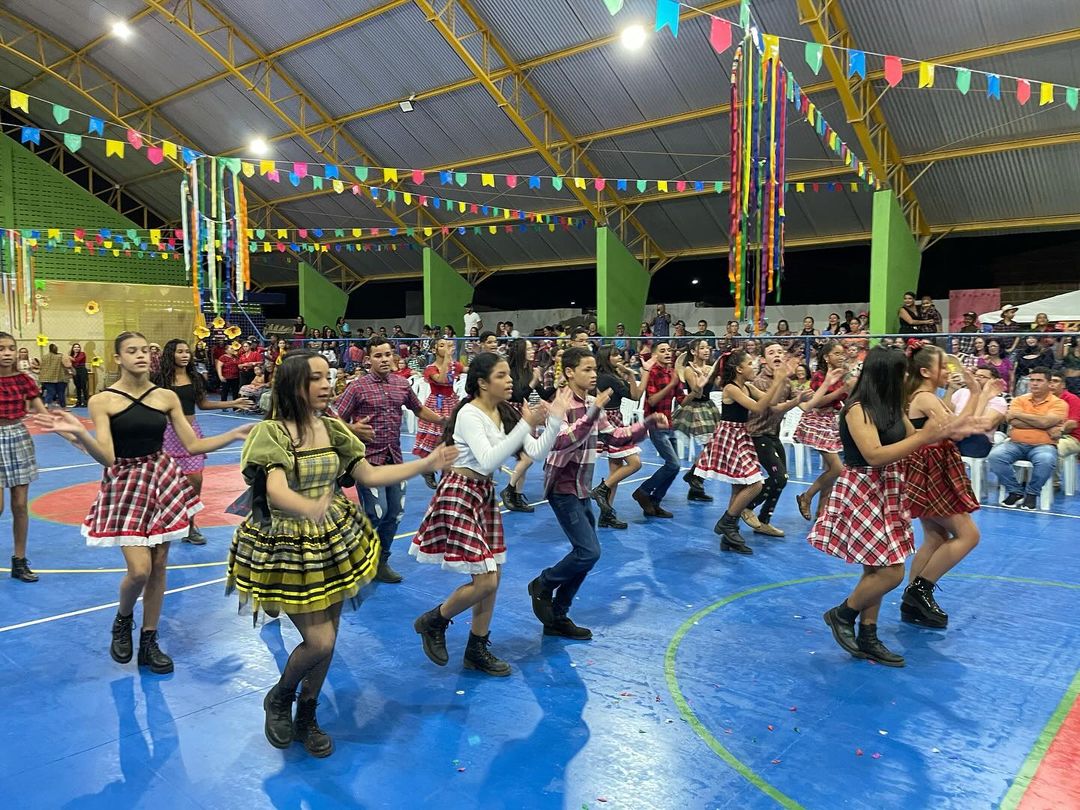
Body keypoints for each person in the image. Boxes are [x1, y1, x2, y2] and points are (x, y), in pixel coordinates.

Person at [227, 352, 455, 757]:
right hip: (285, 544)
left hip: (331, 540)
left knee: (329, 640)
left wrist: (427, 463)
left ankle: (307, 714)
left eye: (327, 376)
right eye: (316, 378)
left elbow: (369, 475)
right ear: (295, 386)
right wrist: (306, 506)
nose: (327, 384)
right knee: (319, 642)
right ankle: (280, 696)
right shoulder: (273, 434)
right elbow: (275, 488)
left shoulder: (333, 429)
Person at [37, 332, 252, 674]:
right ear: (117, 358)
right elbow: (107, 457)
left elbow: (192, 446)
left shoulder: (165, 396)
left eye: (145, 350)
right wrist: (78, 432)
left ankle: (150, 640)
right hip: (124, 481)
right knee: (140, 570)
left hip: (162, 477)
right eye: (131, 351)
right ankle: (123, 619)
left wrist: (235, 434)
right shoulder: (103, 400)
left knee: (160, 565)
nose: (141, 355)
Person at [411, 353, 564, 675]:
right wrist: (526, 422)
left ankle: (476, 647)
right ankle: (434, 620)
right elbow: (488, 459)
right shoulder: (470, 413)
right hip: (460, 493)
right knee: (486, 579)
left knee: (492, 577)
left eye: (509, 374)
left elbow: (534, 452)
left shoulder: (503, 412)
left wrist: (553, 421)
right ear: (482, 383)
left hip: (483, 496)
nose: (510, 380)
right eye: (501, 375)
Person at [811, 346, 958, 668]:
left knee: (876, 569)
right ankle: (842, 614)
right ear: (886, 374)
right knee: (892, 571)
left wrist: (958, 417)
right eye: (901, 372)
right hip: (863, 489)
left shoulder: (894, 408)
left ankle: (868, 634)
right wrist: (923, 437)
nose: (906, 377)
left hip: (888, 489)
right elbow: (874, 454)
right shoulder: (857, 409)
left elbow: (918, 439)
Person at [528, 348, 664, 639]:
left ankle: (558, 616)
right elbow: (562, 441)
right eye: (587, 370)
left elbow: (614, 436)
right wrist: (592, 412)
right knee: (589, 552)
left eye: (593, 369)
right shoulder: (559, 404)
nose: (593, 375)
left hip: (581, 488)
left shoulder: (591, 403)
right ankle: (543, 584)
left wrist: (647, 425)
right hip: (562, 486)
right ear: (569, 372)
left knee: (586, 555)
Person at [334, 337, 446, 583]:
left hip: (394, 457)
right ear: (368, 360)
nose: (384, 359)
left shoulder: (402, 384)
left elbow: (418, 409)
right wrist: (353, 429)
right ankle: (359, 558)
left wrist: (442, 420)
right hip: (366, 461)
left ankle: (380, 561)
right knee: (376, 512)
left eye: (387, 355)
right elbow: (334, 418)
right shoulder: (357, 387)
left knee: (395, 512)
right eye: (378, 356)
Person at [903, 345, 998, 628]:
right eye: (942, 367)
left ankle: (912, 602)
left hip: (932, 467)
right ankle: (921, 590)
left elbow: (959, 423)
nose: (947, 372)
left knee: (935, 537)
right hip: (931, 470)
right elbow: (957, 430)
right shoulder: (924, 397)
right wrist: (978, 393)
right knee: (969, 535)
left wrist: (976, 395)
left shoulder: (929, 397)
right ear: (925, 371)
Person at [695, 350, 797, 553]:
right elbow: (759, 408)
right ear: (739, 369)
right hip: (730, 437)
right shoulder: (731, 388)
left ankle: (729, 535)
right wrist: (777, 380)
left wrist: (782, 381)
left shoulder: (747, 386)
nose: (755, 366)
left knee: (739, 486)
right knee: (755, 483)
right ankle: (727, 522)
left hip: (741, 435)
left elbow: (772, 402)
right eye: (750, 363)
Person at [154, 338, 254, 544]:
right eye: (179, 352)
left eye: (186, 352)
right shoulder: (158, 380)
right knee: (165, 485)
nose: (184, 355)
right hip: (166, 435)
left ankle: (190, 526)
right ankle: (162, 524)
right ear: (170, 354)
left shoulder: (195, 377)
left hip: (191, 433)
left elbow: (203, 404)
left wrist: (233, 402)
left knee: (195, 481)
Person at [743, 342, 812, 537]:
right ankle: (747, 507)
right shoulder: (759, 382)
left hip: (773, 435)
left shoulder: (787, 382)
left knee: (782, 480)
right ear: (764, 359)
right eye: (771, 352)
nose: (777, 355)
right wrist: (796, 401)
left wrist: (825, 386)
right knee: (779, 477)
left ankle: (764, 521)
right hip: (757, 435)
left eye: (780, 352)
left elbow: (806, 406)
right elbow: (773, 408)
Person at [0, 333, 51, 582]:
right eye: (1, 349)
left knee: (20, 505)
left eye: (11, 348)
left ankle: (19, 561)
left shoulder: (23, 380)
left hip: (18, 437)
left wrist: (73, 436)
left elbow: (42, 413)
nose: (7, 353)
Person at [989, 367, 1066, 510]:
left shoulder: (1059, 404)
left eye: (1039, 380)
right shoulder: (1019, 400)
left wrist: (1020, 416)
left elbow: (1045, 422)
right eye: (1032, 380)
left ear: (1049, 384)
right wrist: (1042, 424)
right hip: (1015, 443)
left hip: (1044, 445)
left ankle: (1032, 494)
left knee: (1046, 460)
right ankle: (1015, 491)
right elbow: (1012, 421)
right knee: (995, 457)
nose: (1034, 383)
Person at [794, 342, 852, 520]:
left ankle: (822, 512)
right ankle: (807, 496)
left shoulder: (844, 376)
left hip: (833, 422)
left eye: (843, 353)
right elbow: (817, 402)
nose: (841, 357)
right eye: (836, 353)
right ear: (827, 357)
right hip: (818, 422)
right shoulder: (819, 376)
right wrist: (840, 391)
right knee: (837, 468)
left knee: (830, 470)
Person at [590, 346, 646, 529]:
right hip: (610, 424)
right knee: (634, 463)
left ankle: (606, 513)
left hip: (611, 421)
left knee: (616, 470)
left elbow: (635, 395)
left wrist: (629, 374)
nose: (619, 356)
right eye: (614, 354)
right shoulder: (608, 378)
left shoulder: (606, 376)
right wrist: (631, 374)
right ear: (606, 358)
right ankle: (601, 489)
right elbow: (634, 396)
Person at [631, 340, 683, 519]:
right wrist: (671, 384)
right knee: (673, 464)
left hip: (670, 423)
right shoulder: (653, 373)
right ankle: (642, 491)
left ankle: (655, 501)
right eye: (663, 350)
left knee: (674, 467)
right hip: (655, 425)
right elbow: (652, 400)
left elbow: (683, 399)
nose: (668, 352)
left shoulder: (673, 372)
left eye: (669, 349)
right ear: (655, 355)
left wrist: (699, 387)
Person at [673, 340, 721, 502]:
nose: (706, 350)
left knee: (715, 445)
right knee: (710, 445)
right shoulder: (688, 369)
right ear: (693, 352)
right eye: (702, 348)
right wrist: (704, 376)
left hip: (709, 407)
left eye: (707, 347)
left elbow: (719, 384)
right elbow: (698, 393)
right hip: (696, 409)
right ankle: (694, 476)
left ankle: (695, 483)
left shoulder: (710, 367)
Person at [414, 338, 463, 488]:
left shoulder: (455, 366)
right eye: (442, 345)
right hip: (436, 403)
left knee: (451, 438)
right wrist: (448, 359)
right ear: (435, 349)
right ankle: (428, 468)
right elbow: (441, 379)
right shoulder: (430, 368)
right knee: (436, 437)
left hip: (452, 401)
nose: (446, 348)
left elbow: (474, 370)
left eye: (449, 345)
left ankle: (447, 474)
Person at [503, 338, 543, 512]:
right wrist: (534, 380)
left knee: (524, 459)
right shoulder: (510, 371)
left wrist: (558, 385)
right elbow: (518, 394)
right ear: (520, 351)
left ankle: (517, 496)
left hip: (526, 416)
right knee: (527, 458)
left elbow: (536, 395)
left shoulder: (529, 370)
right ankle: (509, 490)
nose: (532, 351)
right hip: (512, 416)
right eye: (528, 349)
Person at [951, 366, 1007, 458]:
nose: (977, 378)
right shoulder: (961, 392)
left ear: (993, 380)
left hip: (977, 438)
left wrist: (984, 396)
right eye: (976, 375)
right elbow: (946, 414)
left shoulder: (998, 401)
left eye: (982, 377)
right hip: (955, 433)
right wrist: (950, 389)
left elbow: (980, 426)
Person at [1048, 371, 1080, 464]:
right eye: (1050, 382)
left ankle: (1054, 479)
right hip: (1046, 435)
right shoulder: (1044, 398)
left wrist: (1059, 431)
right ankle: (1025, 478)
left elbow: (1073, 424)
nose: (1052, 384)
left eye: (1055, 381)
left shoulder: (1072, 399)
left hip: (1070, 438)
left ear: (1063, 385)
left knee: (1053, 448)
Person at [38, 343, 71, 408]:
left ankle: (46, 403)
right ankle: (63, 406)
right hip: (60, 377)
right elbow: (68, 365)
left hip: (46, 377)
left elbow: (41, 366)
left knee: (50, 391)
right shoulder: (61, 356)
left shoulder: (44, 357)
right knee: (61, 392)